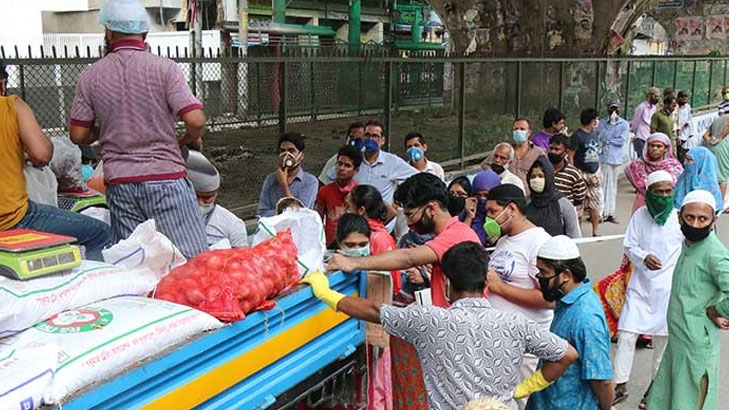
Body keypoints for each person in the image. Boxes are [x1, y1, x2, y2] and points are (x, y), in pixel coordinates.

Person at [305, 241, 578, 409]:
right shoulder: (517, 323)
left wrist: (326, 293)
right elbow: (567, 354)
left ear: (447, 283)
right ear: (485, 282)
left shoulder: (430, 320)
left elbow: (375, 310)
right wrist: (527, 387)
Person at [328, 173, 481, 410]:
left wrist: (354, 263)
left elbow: (408, 257)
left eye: (410, 214)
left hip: (458, 341)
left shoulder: (456, 235)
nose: (408, 223)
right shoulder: (452, 234)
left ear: (431, 208)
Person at [68, 0, 207, 259]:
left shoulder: (90, 76)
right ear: (144, 34)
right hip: (166, 179)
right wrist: (189, 138)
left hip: (121, 185)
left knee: (138, 264)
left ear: (109, 33)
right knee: (191, 262)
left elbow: (78, 135)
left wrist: (107, 130)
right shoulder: (166, 69)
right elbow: (196, 120)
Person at [0, 60, 111, 261]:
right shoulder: (11, 106)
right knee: (100, 233)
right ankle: (96, 287)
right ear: (2, 84)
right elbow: (42, 155)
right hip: (11, 219)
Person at [648, 190, 729, 410]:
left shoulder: (714, 253)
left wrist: (716, 310)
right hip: (678, 341)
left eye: (702, 219)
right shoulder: (689, 244)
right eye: (689, 217)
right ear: (679, 217)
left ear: (714, 221)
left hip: (695, 346)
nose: (695, 224)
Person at [612, 171, 683, 407]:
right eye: (659, 191)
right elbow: (629, 245)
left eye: (668, 191)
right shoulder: (639, 216)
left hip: (668, 290)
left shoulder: (679, 218)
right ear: (649, 192)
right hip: (641, 288)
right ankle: (620, 385)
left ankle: (654, 389)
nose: (664, 196)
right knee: (627, 334)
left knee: (663, 342)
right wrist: (643, 257)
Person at [483, 184, 554, 409]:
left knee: (522, 402)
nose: (488, 219)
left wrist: (499, 288)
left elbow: (549, 299)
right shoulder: (504, 241)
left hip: (525, 350)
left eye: (493, 212)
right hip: (499, 344)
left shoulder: (539, 242)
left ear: (511, 208)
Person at [525, 235, 614, 410]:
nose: (539, 278)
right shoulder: (565, 299)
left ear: (565, 275)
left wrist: (606, 407)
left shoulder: (586, 318)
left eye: (544, 273)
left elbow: (601, 380)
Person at [323, 118, 417, 205]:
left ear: (382, 141)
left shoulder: (392, 161)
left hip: (382, 218)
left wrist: (400, 199)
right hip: (357, 214)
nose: (370, 139)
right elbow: (330, 176)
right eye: (367, 135)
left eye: (375, 136)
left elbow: (417, 177)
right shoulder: (355, 159)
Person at [186, 150, 248, 248]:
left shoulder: (233, 225)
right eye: (194, 197)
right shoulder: (171, 218)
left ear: (216, 193)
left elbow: (242, 260)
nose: (199, 203)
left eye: (207, 198)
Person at [346, 184, 400, 293]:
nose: (346, 212)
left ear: (361, 210)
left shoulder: (378, 238)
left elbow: (385, 282)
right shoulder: (367, 233)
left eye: (348, 207)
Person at [258, 132, 318, 217]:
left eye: (291, 151)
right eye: (283, 151)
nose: (286, 155)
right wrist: (285, 214)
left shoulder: (310, 182)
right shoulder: (271, 179)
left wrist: (283, 185)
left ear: (301, 155)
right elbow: (262, 213)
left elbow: (300, 214)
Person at [316, 145, 363, 246]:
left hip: (353, 246)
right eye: (339, 164)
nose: (341, 168)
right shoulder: (325, 191)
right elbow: (318, 221)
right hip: (329, 246)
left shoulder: (360, 193)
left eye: (347, 165)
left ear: (356, 170)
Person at [625, 132, 683, 213]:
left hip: (667, 206)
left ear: (665, 149)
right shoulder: (637, 166)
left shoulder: (674, 166)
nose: (655, 149)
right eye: (652, 146)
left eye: (659, 146)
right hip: (643, 206)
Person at [525, 157, 581, 238]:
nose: (536, 180)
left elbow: (574, 234)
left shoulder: (563, 204)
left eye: (541, 176)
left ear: (549, 177)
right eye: (533, 176)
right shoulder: (526, 203)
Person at [570, 108, 603, 236]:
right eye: (596, 119)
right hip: (581, 173)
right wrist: (574, 172)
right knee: (580, 205)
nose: (597, 121)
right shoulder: (577, 136)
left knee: (595, 203)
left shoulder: (594, 134)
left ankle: (596, 231)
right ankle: (578, 232)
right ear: (592, 120)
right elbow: (571, 155)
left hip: (593, 173)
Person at [597, 99, 630, 224]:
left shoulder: (624, 124)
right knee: (603, 184)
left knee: (612, 186)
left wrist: (608, 141)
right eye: (612, 108)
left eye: (616, 108)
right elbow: (601, 136)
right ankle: (601, 212)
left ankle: (610, 212)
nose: (614, 111)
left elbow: (621, 140)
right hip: (604, 157)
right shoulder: (602, 123)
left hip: (616, 158)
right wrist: (610, 127)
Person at [674, 146, 724, 212]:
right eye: (685, 159)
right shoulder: (683, 177)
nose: (685, 163)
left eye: (690, 160)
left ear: (701, 163)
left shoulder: (710, 187)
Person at [462, 170, 501, 246]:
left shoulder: (504, 214)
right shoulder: (466, 213)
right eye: (478, 195)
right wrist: (469, 217)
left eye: (486, 195)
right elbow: (460, 240)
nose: (482, 199)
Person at [548, 133, 587, 209]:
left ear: (566, 152)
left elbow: (579, 198)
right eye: (551, 148)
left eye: (557, 149)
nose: (552, 152)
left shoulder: (574, 174)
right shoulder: (542, 169)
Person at [701, 111, 729, 200]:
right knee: (722, 177)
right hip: (722, 147)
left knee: (712, 174)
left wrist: (711, 141)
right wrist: (720, 138)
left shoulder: (717, 120)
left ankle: (712, 199)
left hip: (711, 147)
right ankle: (720, 202)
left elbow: (705, 135)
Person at [631, 87, 660, 158]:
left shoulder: (654, 108)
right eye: (655, 96)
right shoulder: (641, 107)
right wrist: (635, 133)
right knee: (641, 158)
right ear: (649, 95)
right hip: (641, 137)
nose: (656, 98)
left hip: (649, 137)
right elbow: (635, 122)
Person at [677, 90, 694, 160]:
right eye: (683, 99)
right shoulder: (676, 108)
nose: (685, 100)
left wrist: (691, 132)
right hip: (679, 134)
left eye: (686, 99)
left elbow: (690, 118)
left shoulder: (687, 107)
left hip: (686, 133)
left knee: (686, 152)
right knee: (679, 152)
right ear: (679, 98)